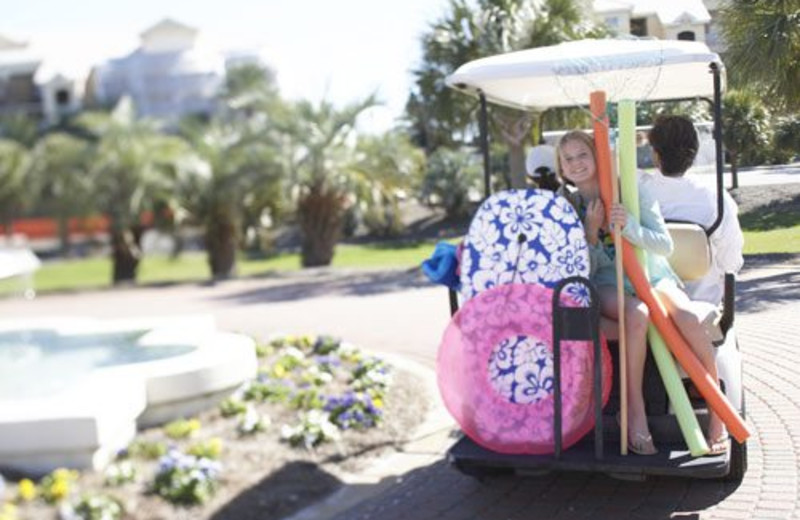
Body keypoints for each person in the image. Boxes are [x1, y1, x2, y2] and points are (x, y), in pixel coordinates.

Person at [555, 130, 728, 456]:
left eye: (582, 155)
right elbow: (581, 271)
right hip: (607, 283)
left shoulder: (633, 190)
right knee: (637, 314)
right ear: (561, 167)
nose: (576, 164)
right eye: (568, 159)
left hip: (653, 276)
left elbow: (665, 244)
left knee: (688, 317)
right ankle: (634, 411)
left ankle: (718, 412)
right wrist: (591, 234)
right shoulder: (566, 207)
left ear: (597, 156)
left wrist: (629, 226)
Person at [643, 115, 744, 307]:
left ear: (655, 154)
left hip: (652, 307)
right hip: (703, 306)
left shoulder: (638, 191)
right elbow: (731, 261)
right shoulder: (715, 197)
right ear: (694, 153)